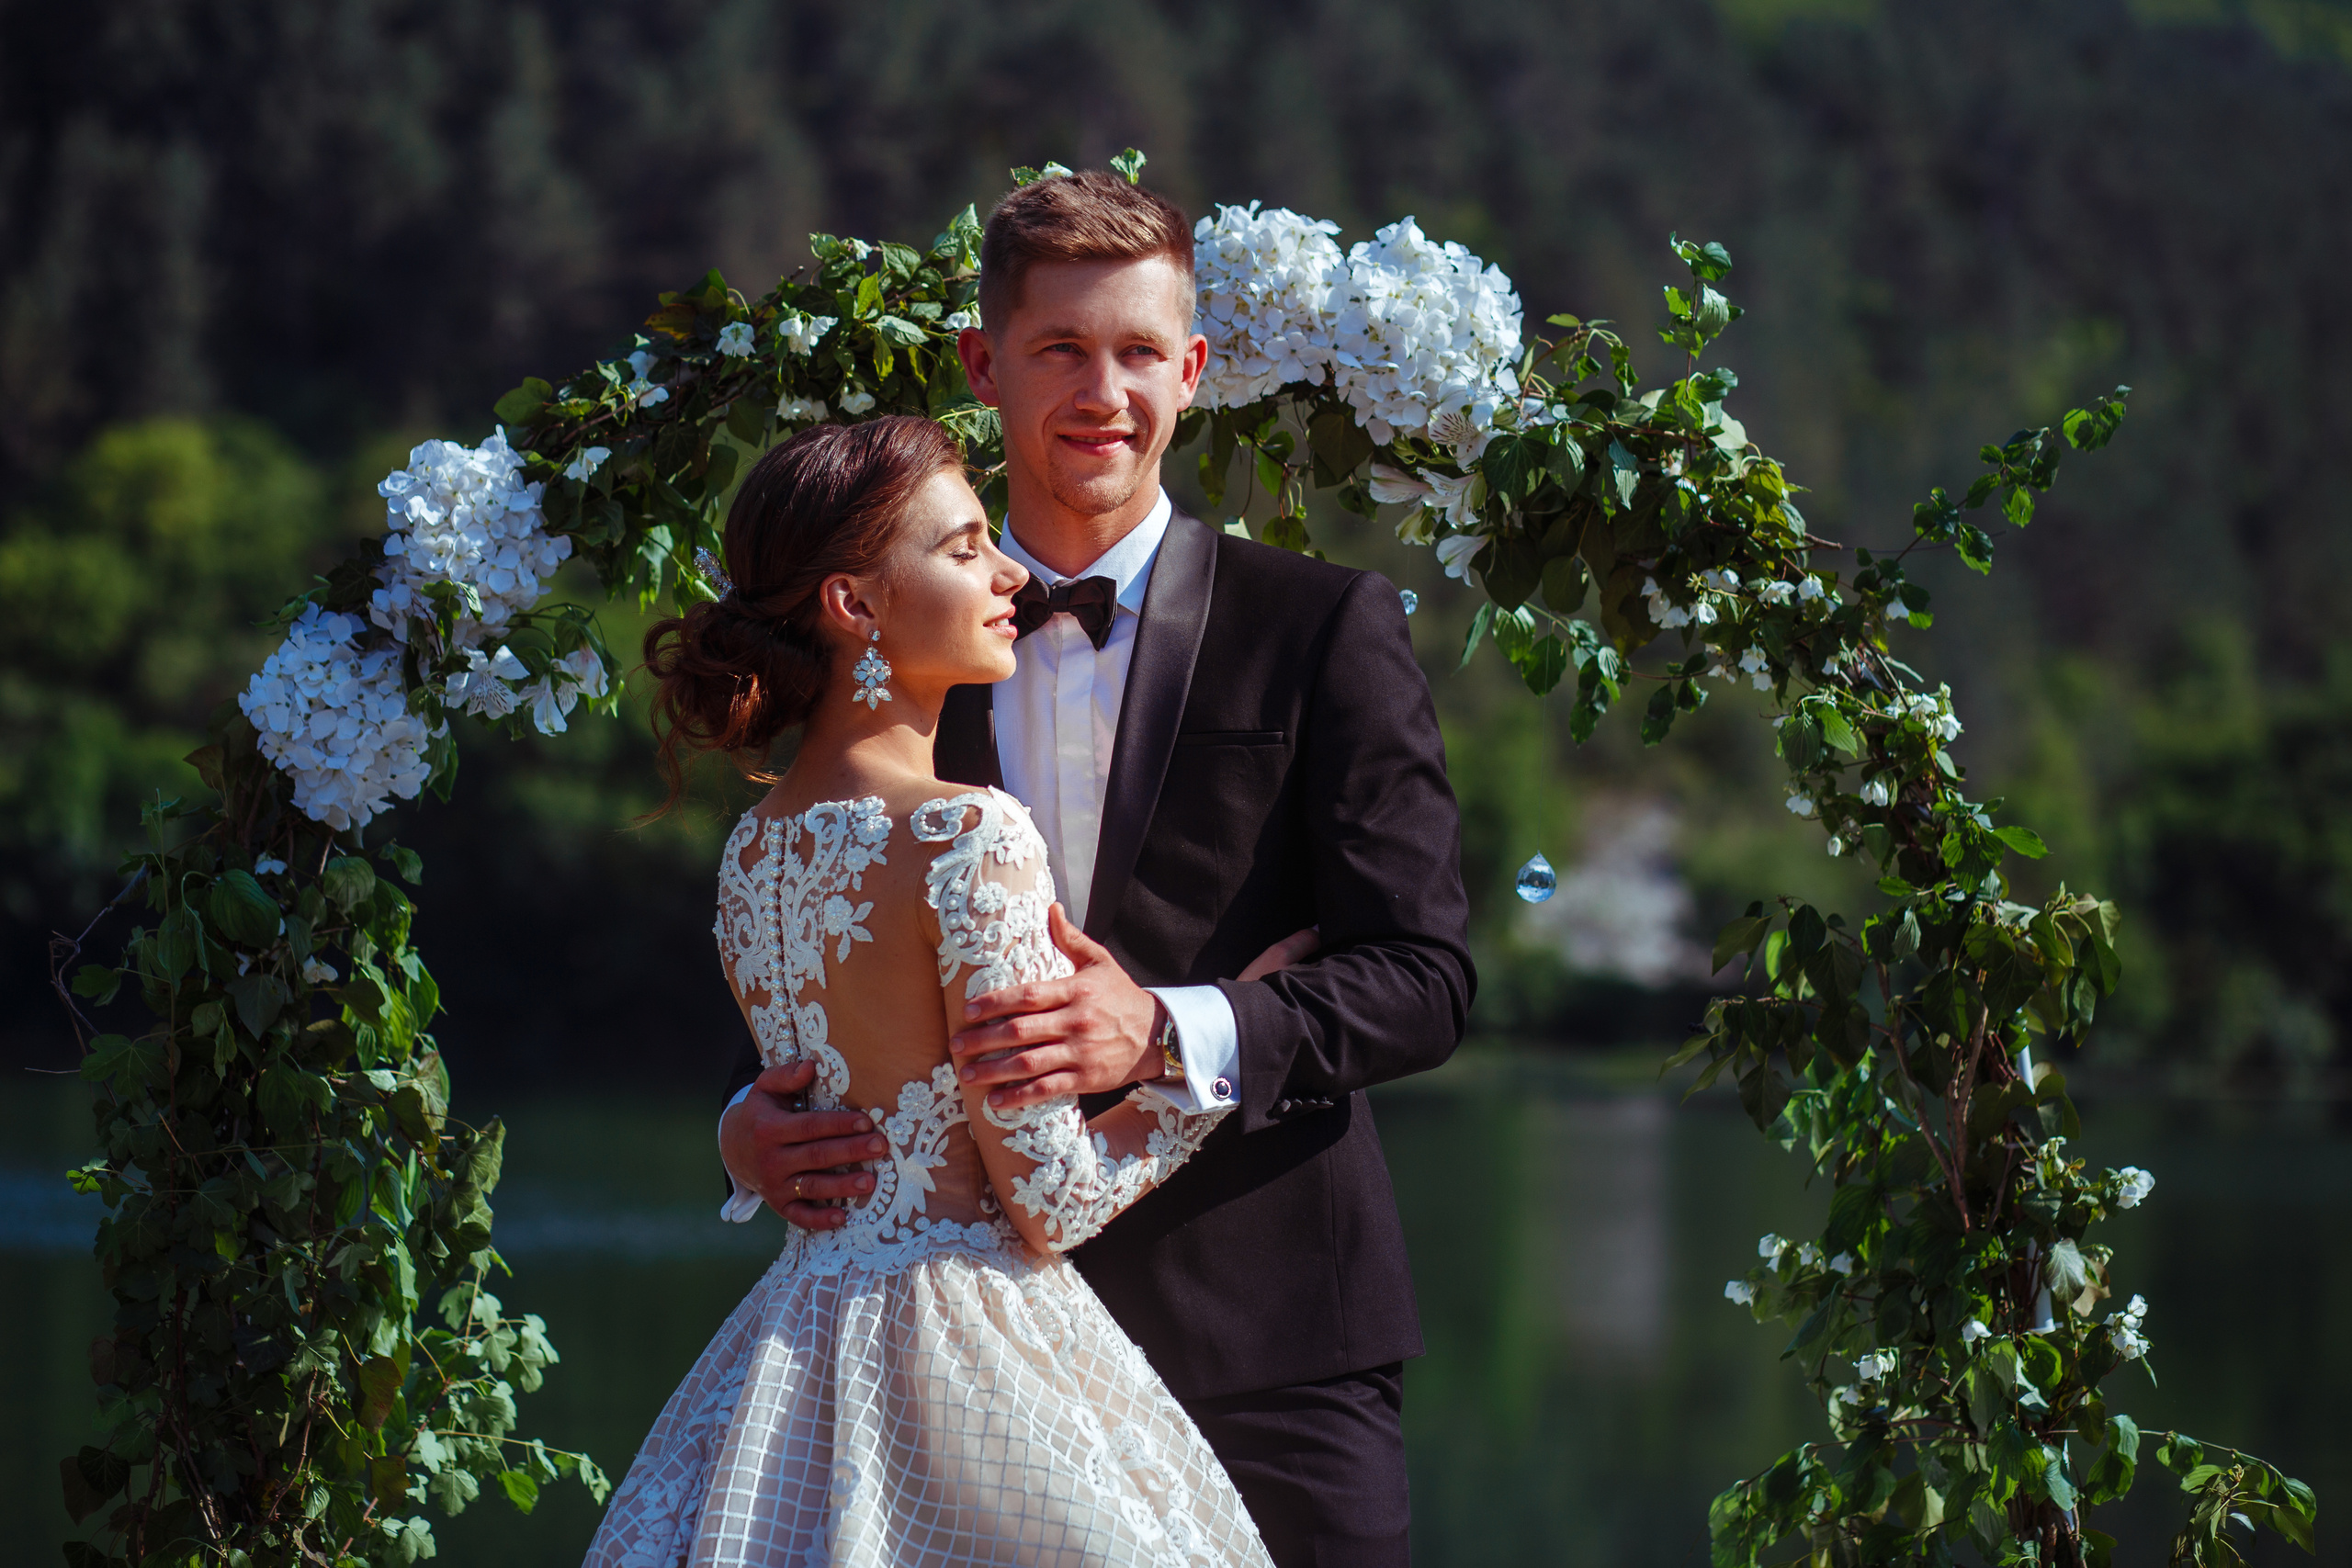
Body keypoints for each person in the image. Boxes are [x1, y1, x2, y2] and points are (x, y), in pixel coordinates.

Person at [718, 170, 1474, 1567]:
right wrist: (748, 1129)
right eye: (1061, 347)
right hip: (958, 1382)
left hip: (1270, 1345)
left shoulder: (1323, 626)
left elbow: (1425, 978)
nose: (1102, 391)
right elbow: (809, 936)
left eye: (1137, 351)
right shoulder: (898, 646)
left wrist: (1171, 1029)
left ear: (1191, 371)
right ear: (982, 365)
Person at [585, 415, 1274, 1566]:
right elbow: (1048, 1198)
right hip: (968, 1352)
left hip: (797, 1338)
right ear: (853, 604)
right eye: (964, 549)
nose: (1010, 575)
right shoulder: (968, 835)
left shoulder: (755, 846)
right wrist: (1203, 1068)